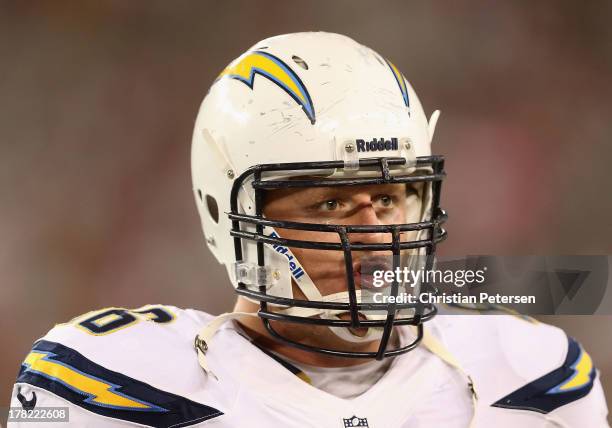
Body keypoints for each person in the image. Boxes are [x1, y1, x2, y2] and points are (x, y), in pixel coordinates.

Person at [9, 32, 609, 428]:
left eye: (390, 196)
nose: (375, 233)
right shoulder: (107, 384)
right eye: (331, 205)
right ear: (228, 215)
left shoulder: (534, 376)